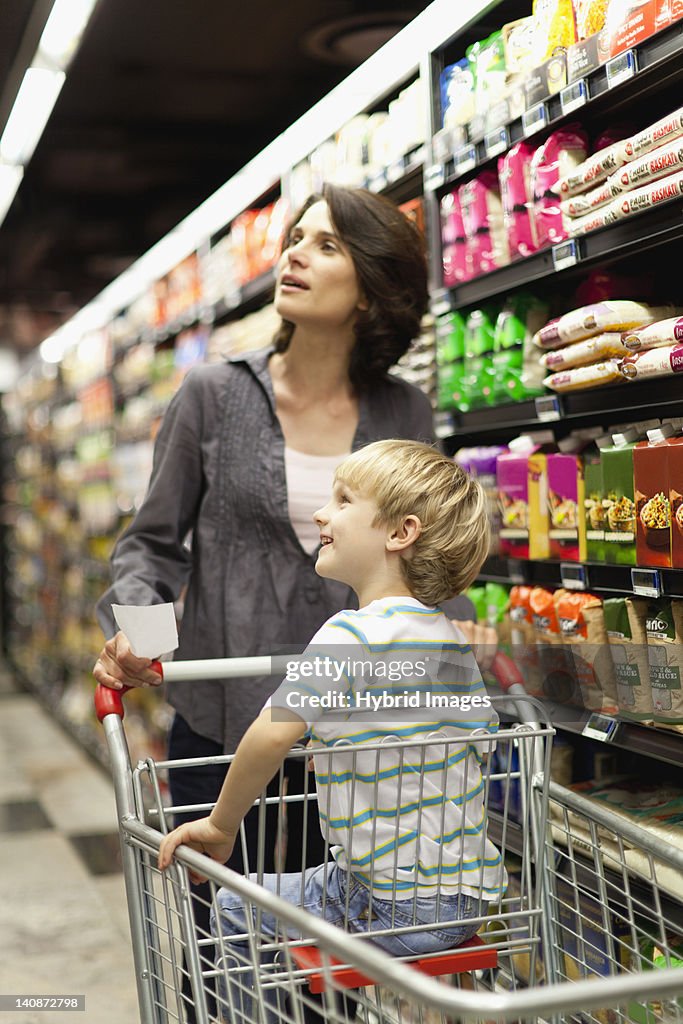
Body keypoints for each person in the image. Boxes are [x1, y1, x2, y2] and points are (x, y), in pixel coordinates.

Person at [93, 184, 494, 1015]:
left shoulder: (402, 407)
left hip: (358, 752)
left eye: (327, 245)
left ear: (375, 285)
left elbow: (422, 561)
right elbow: (152, 544)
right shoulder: (214, 392)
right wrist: (140, 636)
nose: (293, 255)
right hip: (223, 721)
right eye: (294, 238)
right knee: (226, 950)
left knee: (335, 979)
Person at [157, 439, 507, 1024]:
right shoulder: (449, 637)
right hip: (466, 898)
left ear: (400, 533)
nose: (322, 513)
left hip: (388, 904)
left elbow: (271, 735)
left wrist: (221, 826)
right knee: (321, 881)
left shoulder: (349, 633)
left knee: (235, 905)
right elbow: (454, 735)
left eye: (344, 500)